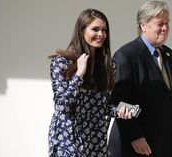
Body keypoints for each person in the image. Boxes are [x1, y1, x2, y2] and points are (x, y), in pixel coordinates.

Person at [108, 1, 172, 157]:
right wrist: (135, 136)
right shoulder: (126, 55)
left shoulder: (168, 54)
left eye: (167, 23)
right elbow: (118, 102)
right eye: (160, 24)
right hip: (138, 146)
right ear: (143, 26)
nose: (165, 28)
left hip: (167, 143)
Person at [48, 8, 132, 157]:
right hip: (69, 139)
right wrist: (79, 74)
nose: (101, 34)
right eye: (95, 29)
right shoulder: (61, 63)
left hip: (96, 140)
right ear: (81, 31)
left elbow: (100, 107)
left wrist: (119, 111)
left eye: (104, 30)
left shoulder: (107, 66)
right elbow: (61, 106)